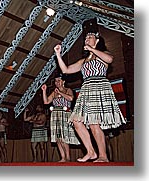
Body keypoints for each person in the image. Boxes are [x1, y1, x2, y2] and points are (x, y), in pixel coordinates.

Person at [54, 31, 126, 162]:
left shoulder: (104, 55)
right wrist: (58, 54)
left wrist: (92, 49)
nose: (87, 39)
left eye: (90, 37)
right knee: (76, 121)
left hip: (99, 87)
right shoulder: (84, 61)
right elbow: (66, 70)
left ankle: (103, 156)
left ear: (97, 41)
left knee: (94, 123)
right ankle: (91, 152)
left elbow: (109, 59)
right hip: (86, 89)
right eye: (86, 37)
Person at [41, 75, 80, 162]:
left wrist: (60, 93)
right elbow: (46, 101)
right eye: (55, 81)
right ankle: (63, 157)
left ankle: (68, 157)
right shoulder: (54, 92)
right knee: (57, 137)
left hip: (65, 114)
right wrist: (44, 91)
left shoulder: (68, 90)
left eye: (59, 80)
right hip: (55, 115)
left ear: (63, 82)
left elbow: (70, 98)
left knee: (64, 136)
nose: (57, 82)